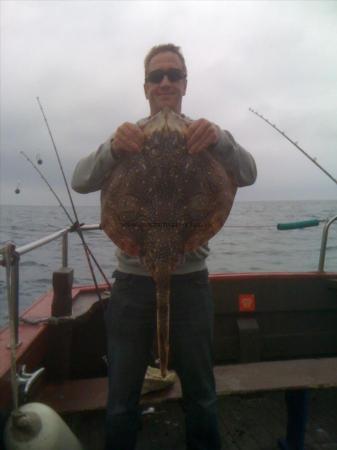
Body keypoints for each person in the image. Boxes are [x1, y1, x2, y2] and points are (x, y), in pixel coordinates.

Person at [71, 43, 257, 450]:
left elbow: (248, 173)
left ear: (185, 84)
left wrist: (222, 140)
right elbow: (80, 180)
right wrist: (113, 148)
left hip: (190, 283)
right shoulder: (129, 138)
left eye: (174, 75)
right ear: (146, 87)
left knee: (202, 396)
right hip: (132, 285)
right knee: (121, 397)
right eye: (157, 76)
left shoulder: (205, 136)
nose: (166, 82)